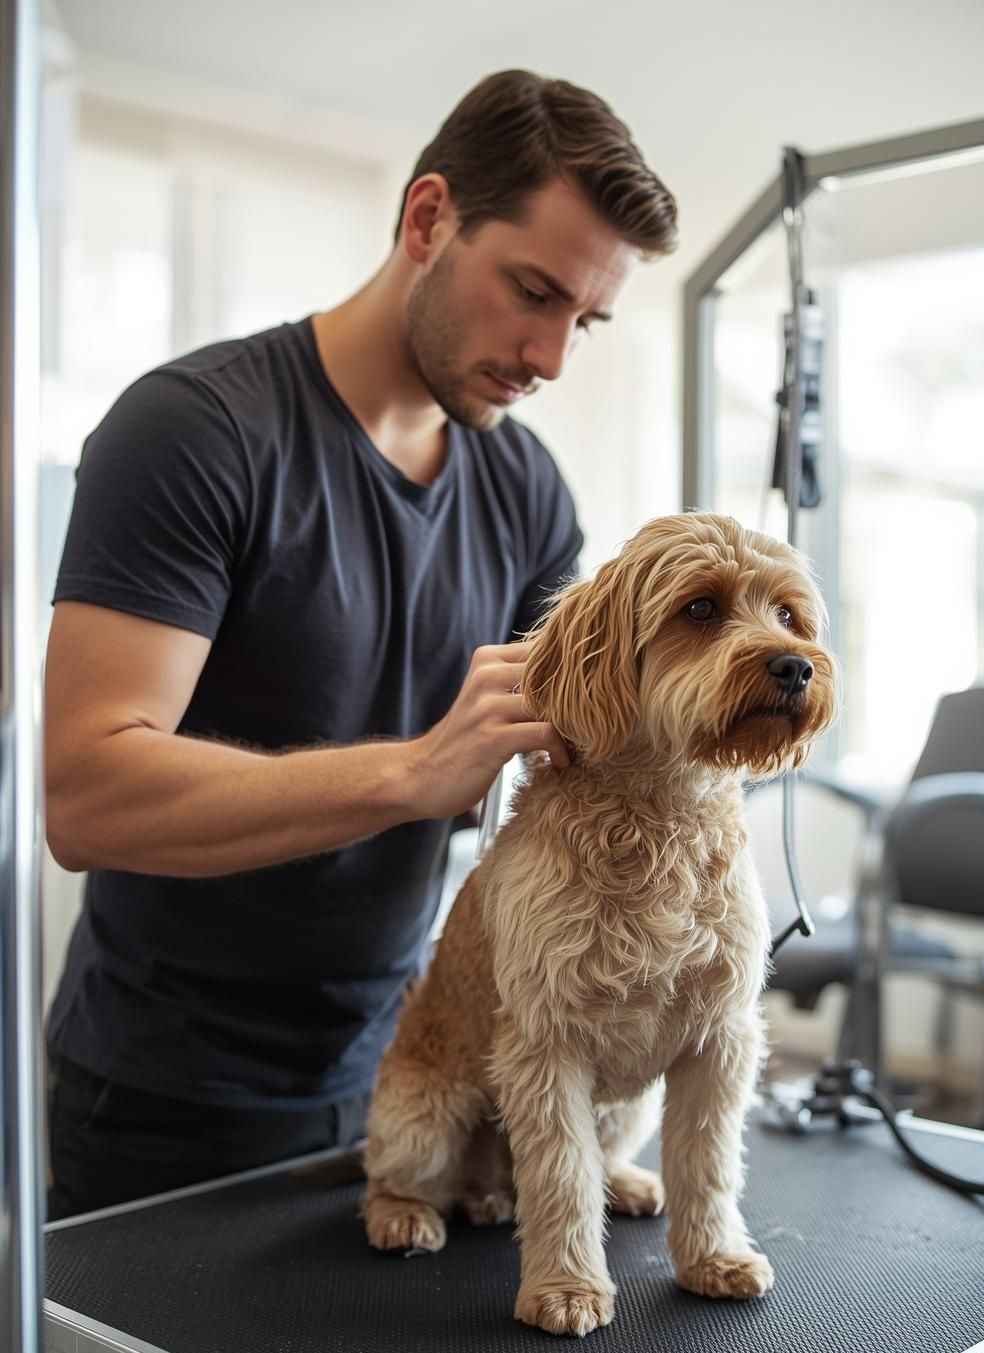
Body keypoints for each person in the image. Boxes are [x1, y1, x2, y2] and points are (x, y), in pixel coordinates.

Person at [43, 69, 678, 1218]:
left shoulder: (529, 491)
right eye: (530, 291)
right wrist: (413, 772)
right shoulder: (194, 433)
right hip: (169, 1094)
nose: (547, 359)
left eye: (582, 321)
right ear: (428, 217)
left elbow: (565, 759)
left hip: (417, 1062)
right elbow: (86, 794)